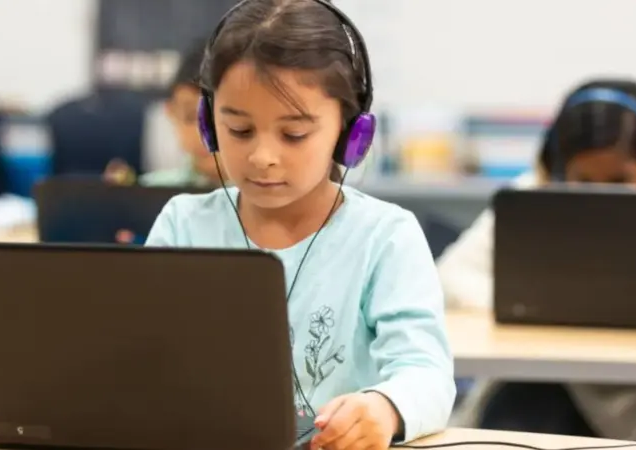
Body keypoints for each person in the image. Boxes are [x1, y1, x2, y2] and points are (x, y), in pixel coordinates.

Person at [145, 0, 456, 449]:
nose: (262, 157)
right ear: (209, 126)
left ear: (352, 135)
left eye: (293, 134)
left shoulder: (385, 237)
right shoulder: (183, 223)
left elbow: (426, 373)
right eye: (239, 130)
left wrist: (384, 408)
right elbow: (139, 357)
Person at [438, 78, 636, 443]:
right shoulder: (532, 197)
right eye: (583, 180)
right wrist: (538, 306)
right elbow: (451, 276)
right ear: (560, 171)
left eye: (619, 179)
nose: (601, 196)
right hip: (546, 382)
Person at [103, 38, 223, 188]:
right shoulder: (151, 191)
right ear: (171, 113)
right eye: (190, 117)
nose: (204, 134)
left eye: (217, 118)